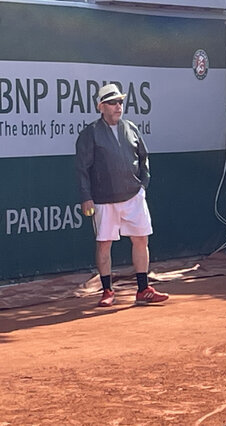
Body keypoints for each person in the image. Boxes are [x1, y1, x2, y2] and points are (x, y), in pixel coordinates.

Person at [75, 84, 169, 307]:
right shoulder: (90, 134)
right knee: (104, 245)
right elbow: (82, 168)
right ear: (101, 107)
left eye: (120, 102)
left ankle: (143, 289)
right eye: (112, 102)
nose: (118, 106)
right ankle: (107, 290)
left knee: (141, 240)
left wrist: (142, 186)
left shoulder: (131, 128)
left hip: (133, 196)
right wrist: (86, 196)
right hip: (103, 199)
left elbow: (144, 158)